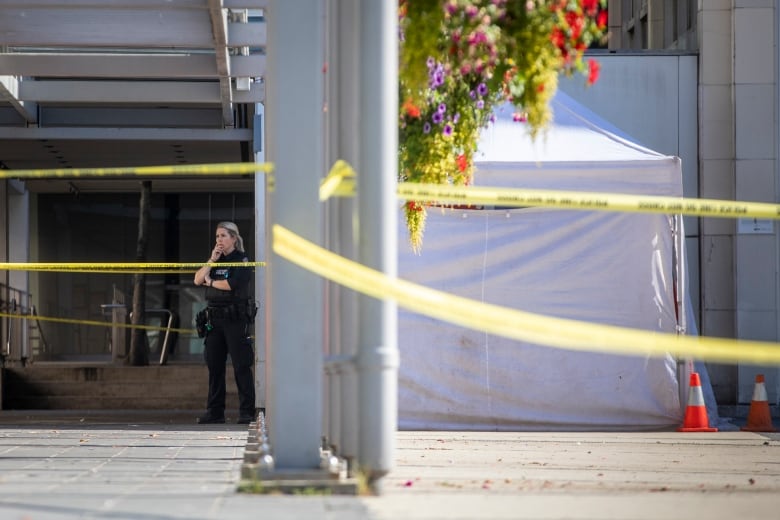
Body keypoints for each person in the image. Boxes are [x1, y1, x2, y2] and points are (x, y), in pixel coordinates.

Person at [194, 221, 256, 425]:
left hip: (235, 319)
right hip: (215, 319)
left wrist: (210, 282)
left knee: (241, 366)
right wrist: (212, 260)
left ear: (234, 238)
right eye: (217, 236)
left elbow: (231, 284)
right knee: (214, 366)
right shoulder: (216, 260)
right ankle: (215, 412)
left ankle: (247, 412)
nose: (219, 240)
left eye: (223, 236)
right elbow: (197, 279)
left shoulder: (241, 260)